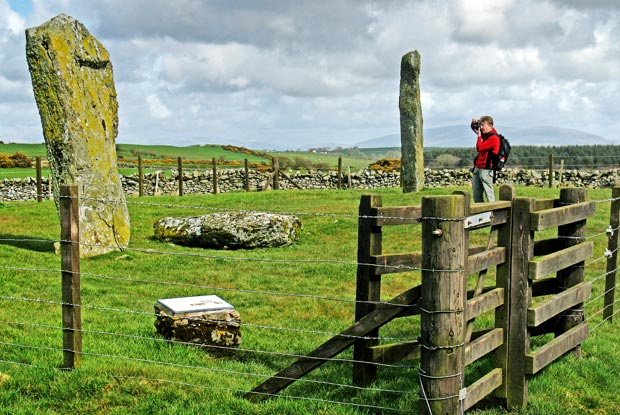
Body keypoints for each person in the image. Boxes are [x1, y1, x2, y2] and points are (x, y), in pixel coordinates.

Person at [471, 115, 500, 203]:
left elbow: (479, 148)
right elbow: (474, 128)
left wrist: (479, 136)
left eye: (483, 125)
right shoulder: (487, 135)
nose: (481, 128)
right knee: (476, 192)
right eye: (481, 125)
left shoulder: (494, 138)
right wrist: (473, 123)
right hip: (478, 167)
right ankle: (480, 214)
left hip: (486, 169)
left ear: (490, 126)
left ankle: (492, 213)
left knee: (489, 193)